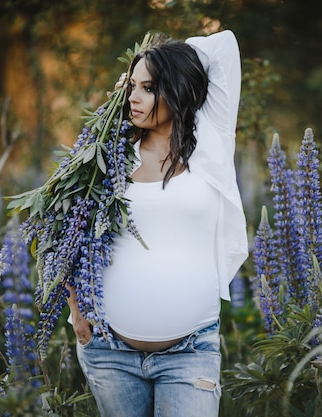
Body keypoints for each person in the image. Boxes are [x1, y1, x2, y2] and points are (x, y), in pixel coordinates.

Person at [66, 29, 248, 417]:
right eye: (130, 87)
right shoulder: (109, 157)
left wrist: (161, 59)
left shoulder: (211, 144)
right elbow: (68, 232)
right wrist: (76, 313)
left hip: (190, 353)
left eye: (147, 88)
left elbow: (224, 45)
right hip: (109, 352)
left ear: (178, 89)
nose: (132, 97)